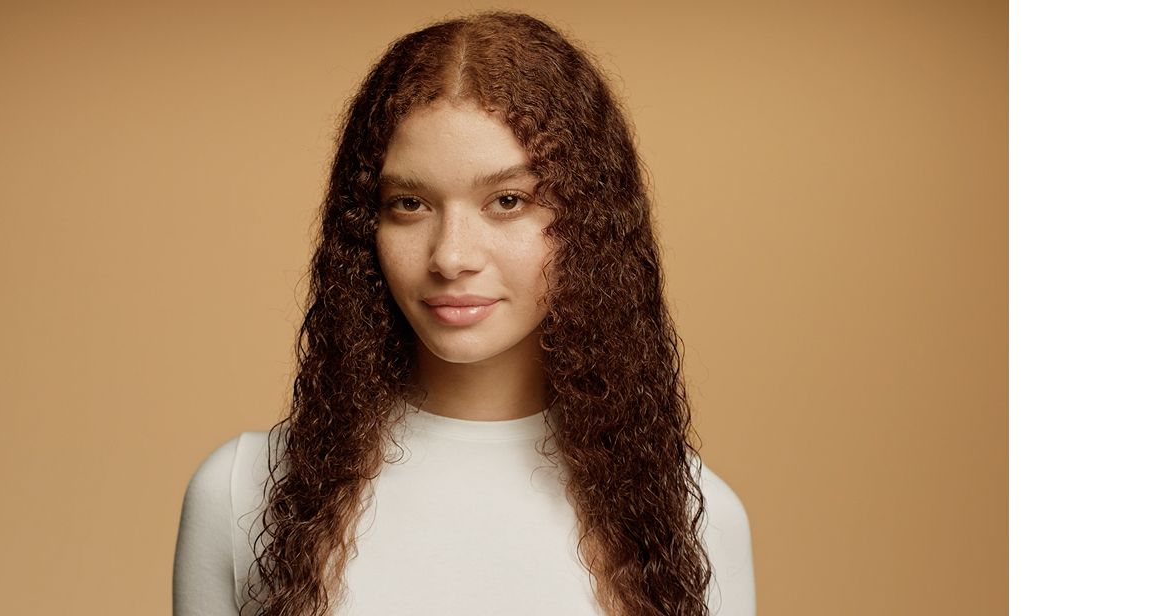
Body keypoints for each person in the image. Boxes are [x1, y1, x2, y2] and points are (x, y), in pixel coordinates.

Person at [172, 11, 754, 616]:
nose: (450, 256)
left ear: (592, 219)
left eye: (507, 201)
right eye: (409, 203)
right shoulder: (242, 492)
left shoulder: (694, 520)